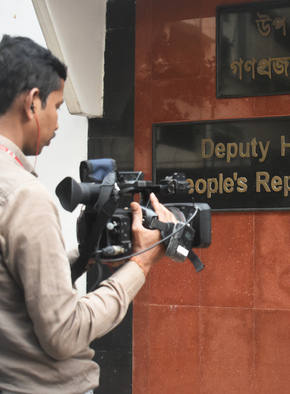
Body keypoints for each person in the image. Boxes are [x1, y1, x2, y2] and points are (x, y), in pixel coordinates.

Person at [0, 35, 174, 394]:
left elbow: (14, 288)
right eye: (58, 108)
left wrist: (86, 255)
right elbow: (64, 333)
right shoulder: (24, 196)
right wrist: (139, 266)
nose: (58, 125)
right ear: (33, 102)